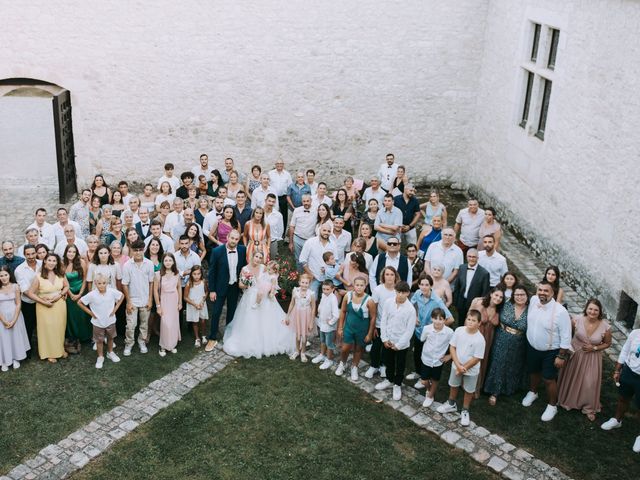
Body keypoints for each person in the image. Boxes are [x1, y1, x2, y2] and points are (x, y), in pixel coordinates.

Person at [224, 251, 295, 358]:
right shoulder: (245, 269)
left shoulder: (264, 267)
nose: (257, 259)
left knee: (267, 318)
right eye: (256, 256)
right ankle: (251, 341)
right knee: (250, 318)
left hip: (264, 296)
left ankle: (268, 340)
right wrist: (247, 283)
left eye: (260, 257)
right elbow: (240, 285)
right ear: (251, 257)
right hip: (250, 296)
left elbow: (272, 277)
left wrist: (271, 290)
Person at [521, 280, 572, 422]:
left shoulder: (561, 312)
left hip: (551, 350)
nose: (542, 293)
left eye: (546, 291)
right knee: (533, 371)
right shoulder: (533, 300)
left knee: (549, 378)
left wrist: (561, 356)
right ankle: (533, 392)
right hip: (532, 346)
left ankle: (552, 405)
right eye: (540, 290)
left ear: (552, 293)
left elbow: (566, 336)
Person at [557, 298, 611, 421]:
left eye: (596, 310)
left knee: (590, 382)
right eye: (590, 309)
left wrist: (595, 347)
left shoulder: (605, 327)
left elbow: (607, 343)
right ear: (586, 309)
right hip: (575, 354)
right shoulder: (576, 320)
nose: (592, 312)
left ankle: (589, 407)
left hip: (592, 357)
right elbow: (567, 334)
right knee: (572, 377)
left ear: (600, 311)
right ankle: (568, 400)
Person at [436, 310, 486, 426]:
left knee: (469, 390)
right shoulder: (459, 331)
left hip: (471, 369)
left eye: (474, 320)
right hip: (457, 365)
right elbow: (452, 347)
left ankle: (465, 410)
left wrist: (464, 368)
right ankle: (451, 403)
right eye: (469, 319)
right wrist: (458, 365)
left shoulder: (480, 339)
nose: (470, 322)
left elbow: (477, 358)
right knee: (454, 384)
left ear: (479, 323)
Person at [484, 285, 530, 405]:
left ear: (527, 296)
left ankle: (509, 387)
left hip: (519, 342)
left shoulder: (531, 310)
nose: (519, 297)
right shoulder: (506, 304)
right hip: (501, 337)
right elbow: (491, 304)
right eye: (517, 295)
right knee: (498, 362)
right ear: (513, 296)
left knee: (512, 364)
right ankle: (494, 391)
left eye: (522, 295)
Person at [406, 274, 454, 387]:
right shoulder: (417, 293)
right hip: (418, 331)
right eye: (421, 284)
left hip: (430, 334)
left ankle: (424, 378)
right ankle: (418, 373)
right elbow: (411, 304)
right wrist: (416, 316)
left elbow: (451, 319)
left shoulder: (437, 301)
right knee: (417, 353)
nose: (423, 287)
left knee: (425, 356)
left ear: (431, 286)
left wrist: (435, 327)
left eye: (426, 285)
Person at [205, 230, 247, 351]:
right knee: (216, 312)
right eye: (232, 238)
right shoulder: (217, 251)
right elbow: (212, 272)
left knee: (232, 312)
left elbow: (243, 267)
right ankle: (212, 337)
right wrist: (212, 290)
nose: (234, 241)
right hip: (219, 287)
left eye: (236, 239)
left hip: (234, 286)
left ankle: (229, 336)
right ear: (227, 237)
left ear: (238, 240)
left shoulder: (242, 250)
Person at [374, 282, 415, 400]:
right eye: (398, 292)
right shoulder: (388, 303)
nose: (400, 295)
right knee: (388, 361)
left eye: (403, 293)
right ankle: (389, 379)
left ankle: (397, 384)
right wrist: (384, 339)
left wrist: (398, 345)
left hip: (401, 343)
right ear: (395, 291)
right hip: (388, 339)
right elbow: (384, 320)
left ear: (407, 293)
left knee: (400, 364)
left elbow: (409, 331)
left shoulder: (410, 309)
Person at [600, 328, 640, 453]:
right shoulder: (635, 333)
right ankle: (617, 420)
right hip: (629, 372)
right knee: (623, 398)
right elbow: (625, 351)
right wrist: (618, 369)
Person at [27, 252, 69, 363]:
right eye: (49, 260)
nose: (52, 263)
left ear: (57, 263)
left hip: (59, 305)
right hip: (44, 306)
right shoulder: (38, 276)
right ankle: (49, 352)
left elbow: (66, 286)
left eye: (54, 261)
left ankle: (60, 349)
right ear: (45, 261)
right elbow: (30, 293)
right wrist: (43, 302)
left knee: (59, 327)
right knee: (48, 329)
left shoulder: (60, 274)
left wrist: (60, 295)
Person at [78, 274, 124, 369]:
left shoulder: (111, 291)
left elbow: (122, 296)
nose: (102, 285)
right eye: (99, 283)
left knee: (111, 338)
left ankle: (110, 352)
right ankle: (100, 356)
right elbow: (80, 302)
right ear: (95, 283)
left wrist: (115, 309)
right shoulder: (92, 294)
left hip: (110, 321)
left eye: (104, 283)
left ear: (107, 283)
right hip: (98, 322)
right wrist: (91, 313)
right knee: (99, 340)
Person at [335, 276, 376, 380]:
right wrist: (340, 327)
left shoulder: (369, 300)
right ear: (353, 285)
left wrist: (369, 334)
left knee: (358, 349)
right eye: (357, 285)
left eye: (361, 285)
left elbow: (373, 317)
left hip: (362, 330)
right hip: (349, 327)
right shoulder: (347, 296)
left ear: (365, 286)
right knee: (345, 348)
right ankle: (342, 364)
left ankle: (354, 367)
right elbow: (343, 311)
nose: (359, 287)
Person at [469, 288, 505, 397]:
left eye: (500, 297)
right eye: (496, 295)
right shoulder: (480, 304)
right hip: (476, 334)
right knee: (471, 357)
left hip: (489, 338)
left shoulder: (500, 310)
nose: (497, 298)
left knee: (482, 360)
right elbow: (469, 317)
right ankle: (466, 383)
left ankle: (477, 386)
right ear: (491, 294)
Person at [121, 240, 155, 356]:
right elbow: (124, 284)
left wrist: (150, 299)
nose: (138, 252)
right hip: (133, 300)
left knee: (144, 324)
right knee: (131, 325)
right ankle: (129, 343)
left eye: (140, 250)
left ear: (144, 250)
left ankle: (142, 342)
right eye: (135, 250)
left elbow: (151, 283)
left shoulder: (149, 264)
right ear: (132, 251)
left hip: (145, 299)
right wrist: (128, 302)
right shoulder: (127, 265)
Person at [365, 266, 399, 379]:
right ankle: (374, 365)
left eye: (392, 274)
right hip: (379, 324)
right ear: (383, 276)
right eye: (387, 274)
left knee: (387, 348)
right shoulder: (378, 290)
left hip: (392, 326)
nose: (389, 277)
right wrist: (373, 326)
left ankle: (383, 365)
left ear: (395, 276)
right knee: (376, 346)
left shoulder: (398, 290)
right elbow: (373, 308)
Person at [419, 308, 454, 408]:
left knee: (435, 379)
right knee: (424, 380)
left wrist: (450, 355)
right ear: (431, 319)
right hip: (426, 358)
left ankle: (430, 396)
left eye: (441, 319)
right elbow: (422, 339)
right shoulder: (427, 329)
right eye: (435, 318)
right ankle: (429, 389)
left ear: (444, 320)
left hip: (438, 360)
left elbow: (454, 345)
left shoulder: (449, 332)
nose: (438, 321)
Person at [0, 266, 30, 371]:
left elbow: (18, 304)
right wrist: (3, 320)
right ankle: (4, 360)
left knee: (14, 337)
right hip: (1, 317)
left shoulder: (15, 287)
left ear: (9, 275)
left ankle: (15, 358)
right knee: (3, 338)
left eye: (5, 275)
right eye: (1, 276)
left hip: (15, 315)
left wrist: (14, 320)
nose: (4, 278)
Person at [62, 244, 90, 354]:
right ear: (65, 253)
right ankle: (73, 337)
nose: (71, 254)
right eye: (69, 252)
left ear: (76, 253)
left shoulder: (82, 263)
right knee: (71, 315)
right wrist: (70, 294)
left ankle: (85, 336)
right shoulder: (62, 264)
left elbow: (85, 279)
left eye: (73, 252)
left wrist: (80, 293)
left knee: (82, 314)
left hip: (81, 291)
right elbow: (64, 281)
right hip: (69, 293)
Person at [452, 248, 491, 325]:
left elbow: (485, 292)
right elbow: (457, 286)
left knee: (471, 324)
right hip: (461, 302)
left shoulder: (484, 273)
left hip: (474, 304)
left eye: (474, 257)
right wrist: (456, 302)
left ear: (477, 258)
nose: (471, 259)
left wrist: (480, 306)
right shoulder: (462, 268)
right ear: (466, 257)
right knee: (460, 322)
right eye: (469, 256)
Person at [14, 244, 40, 358]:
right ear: (24, 255)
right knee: (28, 327)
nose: (31, 256)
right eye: (28, 254)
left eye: (33, 253)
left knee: (42, 326)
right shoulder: (19, 270)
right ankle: (28, 351)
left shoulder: (43, 264)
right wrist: (41, 299)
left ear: (36, 253)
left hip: (43, 301)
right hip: (28, 303)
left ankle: (44, 348)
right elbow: (25, 291)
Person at [154, 253, 182, 357]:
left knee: (174, 323)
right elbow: (155, 291)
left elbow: (179, 287)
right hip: (164, 301)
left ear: (173, 262)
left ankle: (172, 344)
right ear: (163, 262)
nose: (168, 262)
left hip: (174, 300)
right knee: (165, 324)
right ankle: (163, 346)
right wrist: (158, 306)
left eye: (170, 260)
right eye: (166, 260)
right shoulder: (158, 274)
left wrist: (180, 302)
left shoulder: (177, 274)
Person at [285, 273, 317, 362]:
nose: (304, 285)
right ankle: (297, 351)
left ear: (309, 284)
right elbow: (292, 303)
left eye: (306, 283)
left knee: (304, 335)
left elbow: (313, 307)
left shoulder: (311, 294)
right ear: (299, 282)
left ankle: (303, 352)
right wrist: (287, 315)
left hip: (306, 315)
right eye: (302, 282)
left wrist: (311, 321)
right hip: (297, 314)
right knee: (298, 335)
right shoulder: (295, 291)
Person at [312, 280, 340, 370]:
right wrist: (319, 310)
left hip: (330, 326)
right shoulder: (324, 295)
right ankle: (322, 355)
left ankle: (329, 360)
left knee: (329, 343)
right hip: (322, 323)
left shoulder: (333, 299)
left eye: (327, 289)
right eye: (323, 289)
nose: (325, 291)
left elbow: (336, 314)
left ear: (332, 289)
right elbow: (321, 304)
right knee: (322, 340)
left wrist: (331, 322)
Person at [290, 195, 321, 267]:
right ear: (302, 202)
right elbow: (292, 226)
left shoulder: (316, 211)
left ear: (311, 201)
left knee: (310, 259)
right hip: (297, 238)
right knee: (298, 259)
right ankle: (300, 275)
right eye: (304, 201)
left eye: (308, 201)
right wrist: (291, 242)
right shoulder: (296, 210)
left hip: (310, 239)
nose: (306, 203)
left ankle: (309, 276)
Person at [184, 265, 208, 347]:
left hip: (201, 304)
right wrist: (195, 305)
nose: (197, 276)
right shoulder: (189, 284)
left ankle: (204, 336)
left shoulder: (203, 282)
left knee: (203, 321)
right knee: (195, 322)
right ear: (191, 274)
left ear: (201, 274)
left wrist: (202, 301)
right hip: (193, 305)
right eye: (194, 274)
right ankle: (197, 338)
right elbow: (185, 297)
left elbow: (206, 292)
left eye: (198, 274)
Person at [268, 160, 293, 228]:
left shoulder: (287, 174)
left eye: (281, 163)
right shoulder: (270, 174)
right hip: (273, 198)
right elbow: (268, 184)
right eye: (277, 163)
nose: (279, 165)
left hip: (283, 198)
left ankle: (283, 234)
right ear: (275, 164)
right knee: (272, 214)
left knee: (284, 216)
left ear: (283, 164)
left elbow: (290, 187)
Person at [263, 194, 284, 260]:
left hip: (272, 241)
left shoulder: (278, 215)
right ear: (265, 200)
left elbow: (280, 229)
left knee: (272, 261)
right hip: (260, 241)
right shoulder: (259, 212)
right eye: (269, 201)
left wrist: (275, 239)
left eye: (273, 202)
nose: (271, 203)